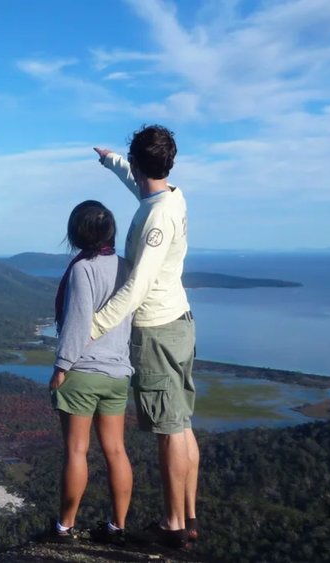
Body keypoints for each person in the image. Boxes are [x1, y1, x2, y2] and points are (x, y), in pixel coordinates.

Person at [91, 124, 198, 549]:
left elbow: (135, 286)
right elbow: (140, 185)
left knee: (169, 428)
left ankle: (173, 525)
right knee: (183, 423)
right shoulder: (170, 197)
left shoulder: (156, 217)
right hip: (179, 322)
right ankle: (188, 515)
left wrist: (94, 326)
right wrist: (111, 160)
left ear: (141, 164)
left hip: (155, 330)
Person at [48, 200, 134, 546]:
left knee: (76, 450)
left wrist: (61, 367)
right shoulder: (126, 267)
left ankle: (65, 528)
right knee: (116, 450)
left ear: (76, 232)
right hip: (117, 373)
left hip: (83, 370)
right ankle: (118, 526)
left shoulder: (83, 269)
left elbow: (78, 321)